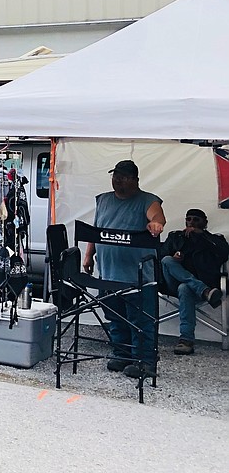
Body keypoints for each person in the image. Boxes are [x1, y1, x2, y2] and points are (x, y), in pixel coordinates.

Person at [82, 160, 166, 378]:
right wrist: (88, 254)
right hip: (108, 272)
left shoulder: (147, 200)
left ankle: (145, 361)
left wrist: (156, 224)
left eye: (124, 176)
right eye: (116, 175)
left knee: (141, 320)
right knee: (116, 317)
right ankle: (122, 354)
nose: (118, 180)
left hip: (137, 276)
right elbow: (95, 229)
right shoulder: (103, 200)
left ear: (135, 180)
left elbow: (157, 216)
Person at [160, 208, 228, 355]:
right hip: (173, 283)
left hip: (199, 283)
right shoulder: (175, 237)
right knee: (167, 260)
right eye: (189, 219)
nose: (192, 223)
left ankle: (186, 340)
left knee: (185, 288)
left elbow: (224, 253)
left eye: (196, 219)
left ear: (205, 223)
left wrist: (202, 236)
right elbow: (161, 255)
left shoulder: (214, 239)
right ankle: (203, 290)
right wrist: (174, 256)